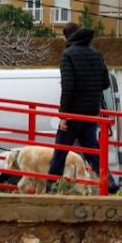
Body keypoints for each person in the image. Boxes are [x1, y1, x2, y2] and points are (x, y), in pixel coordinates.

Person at [48, 25, 109, 185]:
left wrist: (63, 116)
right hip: (90, 113)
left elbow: (68, 87)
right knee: (92, 153)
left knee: (60, 151)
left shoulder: (68, 54)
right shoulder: (97, 54)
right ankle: (111, 185)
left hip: (73, 113)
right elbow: (105, 83)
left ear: (67, 38)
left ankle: (50, 186)